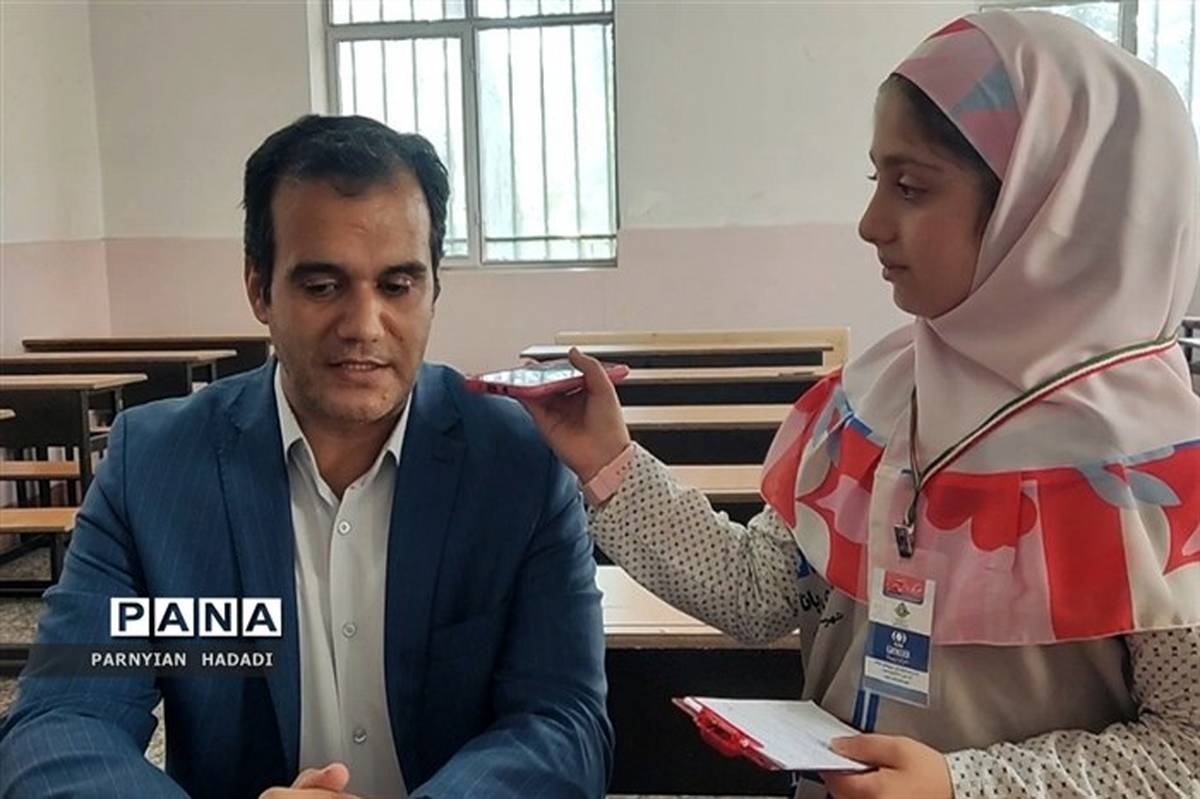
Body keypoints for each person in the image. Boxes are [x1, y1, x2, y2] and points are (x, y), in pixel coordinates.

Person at [521, 11, 1199, 799]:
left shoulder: (1164, 472)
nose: (871, 223)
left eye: (911, 187)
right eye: (874, 179)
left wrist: (963, 786)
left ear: (1046, 207)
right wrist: (609, 462)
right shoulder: (873, 404)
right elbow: (759, 590)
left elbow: (1186, 750)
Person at [0, 116, 612, 799]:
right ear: (259, 288)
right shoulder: (155, 471)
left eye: (397, 285)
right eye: (323, 286)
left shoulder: (517, 466)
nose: (363, 326)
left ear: (434, 289)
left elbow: (561, 722)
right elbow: (61, 721)